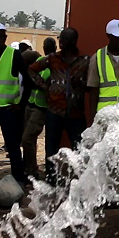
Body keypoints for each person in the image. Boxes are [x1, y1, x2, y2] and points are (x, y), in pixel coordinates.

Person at [27, 28, 89, 185]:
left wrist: (81, 83)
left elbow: (92, 83)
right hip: (54, 111)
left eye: (65, 39)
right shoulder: (52, 59)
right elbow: (32, 69)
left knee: (79, 149)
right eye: (60, 39)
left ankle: (78, 182)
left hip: (76, 113)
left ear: (73, 41)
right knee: (51, 148)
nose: (61, 42)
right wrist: (45, 86)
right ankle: (51, 180)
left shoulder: (84, 61)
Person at [0, 22, 30, 183]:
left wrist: (21, 104)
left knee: (12, 143)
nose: (2, 39)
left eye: (4, 36)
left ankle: (18, 177)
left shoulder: (13, 54)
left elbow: (28, 81)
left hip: (7, 107)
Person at [21, 37, 54, 178]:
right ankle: (29, 167)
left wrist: (36, 81)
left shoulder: (53, 65)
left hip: (40, 108)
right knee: (30, 139)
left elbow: (45, 84)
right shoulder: (41, 62)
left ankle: (33, 170)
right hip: (31, 103)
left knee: (27, 139)